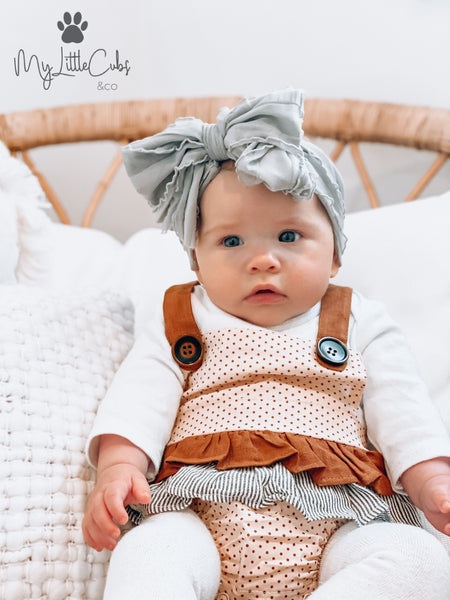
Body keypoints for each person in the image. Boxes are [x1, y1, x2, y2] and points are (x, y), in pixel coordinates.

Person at [82, 90, 450, 600]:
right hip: (200, 518)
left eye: (289, 237)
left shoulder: (358, 320)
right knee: (149, 551)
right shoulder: (182, 319)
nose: (263, 260)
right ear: (196, 259)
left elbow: (403, 406)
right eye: (231, 242)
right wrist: (118, 468)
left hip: (339, 523)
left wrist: (431, 477)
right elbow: (138, 398)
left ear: (335, 253)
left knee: (419, 558)